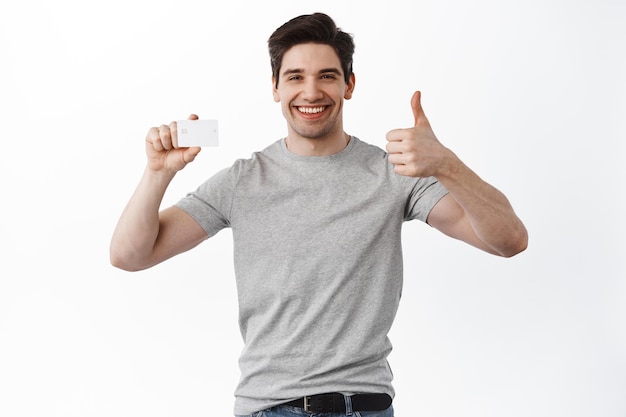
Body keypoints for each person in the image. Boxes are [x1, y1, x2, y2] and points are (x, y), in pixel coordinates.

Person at [110, 12, 528, 417]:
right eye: (295, 77)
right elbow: (131, 255)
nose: (311, 92)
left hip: (365, 406)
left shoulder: (394, 175)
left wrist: (447, 165)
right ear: (275, 87)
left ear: (349, 84)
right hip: (269, 408)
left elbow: (509, 240)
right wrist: (156, 174)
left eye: (327, 75)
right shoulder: (241, 181)